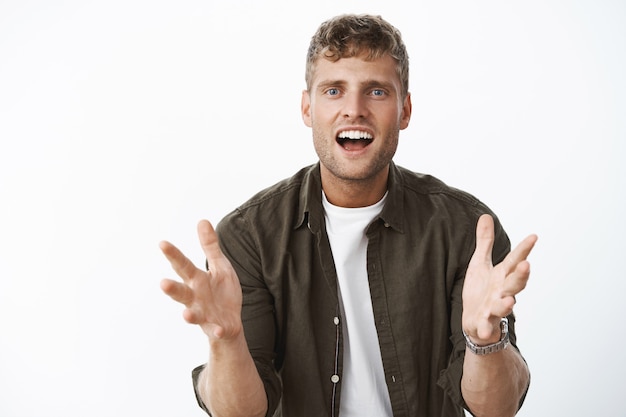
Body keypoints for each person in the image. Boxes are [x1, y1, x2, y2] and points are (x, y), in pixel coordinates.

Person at [159, 13, 537, 417]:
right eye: (334, 90)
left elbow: (496, 409)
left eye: (376, 92)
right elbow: (240, 413)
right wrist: (228, 341)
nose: (353, 110)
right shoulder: (249, 237)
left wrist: (485, 341)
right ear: (307, 108)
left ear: (405, 110)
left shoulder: (466, 231)